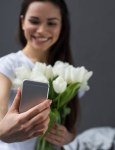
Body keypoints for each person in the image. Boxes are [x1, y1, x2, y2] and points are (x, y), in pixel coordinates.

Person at [0, 0, 79, 149]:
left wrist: (67, 137)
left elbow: (70, 125)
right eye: (34, 21)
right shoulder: (7, 66)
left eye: (51, 23)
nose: (42, 30)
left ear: (62, 26)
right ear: (23, 22)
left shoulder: (67, 73)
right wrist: (3, 131)